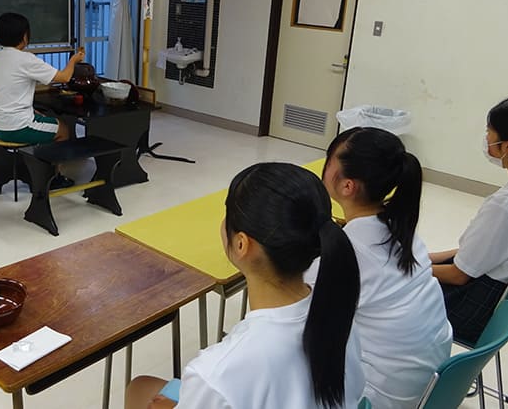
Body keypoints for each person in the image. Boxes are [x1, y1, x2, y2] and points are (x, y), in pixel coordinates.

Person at [125, 163, 365, 409]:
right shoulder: (340, 318)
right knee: (142, 387)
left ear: (242, 245)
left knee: (142, 393)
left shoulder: (217, 374)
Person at [318, 127, 452, 409]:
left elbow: (299, 316)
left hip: (382, 395)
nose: (324, 165)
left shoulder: (347, 253)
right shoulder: (404, 232)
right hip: (434, 379)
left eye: (329, 160)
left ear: (347, 186)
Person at [430, 95, 508, 344]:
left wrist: (407, 268)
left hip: (468, 309)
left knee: (371, 288)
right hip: (500, 304)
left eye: (489, 132)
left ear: (507, 147)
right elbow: (481, 254)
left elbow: (459, 275)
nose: (486, 139)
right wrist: (425, 258)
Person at [0, 12, 84, 189]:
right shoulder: (25, 59)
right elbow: (64, 77)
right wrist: (74, 60)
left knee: (41, 118)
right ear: (24, 36)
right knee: (63, 129)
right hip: (15, 128)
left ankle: (36, 164)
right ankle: (52, 178)